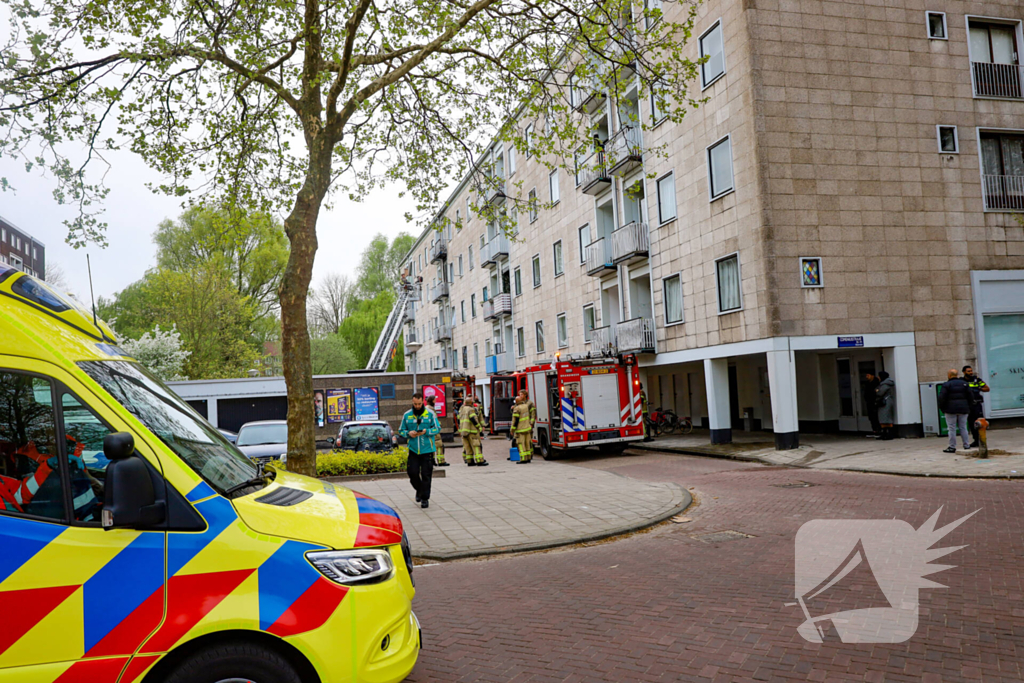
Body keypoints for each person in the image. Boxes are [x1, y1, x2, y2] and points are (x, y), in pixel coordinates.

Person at [398, 392, 441, 508]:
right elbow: (401, 430)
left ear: (423, 402)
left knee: (426, 474)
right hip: (413, 450)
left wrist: (427, 431)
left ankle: (424, 498)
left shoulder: (430, 414)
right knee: (412, 473)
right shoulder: (407, 415)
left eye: (419, 404)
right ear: (412, 402)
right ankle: (419, 490)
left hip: (427, 449)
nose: (417, 406)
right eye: (415, 404)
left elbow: (437, 428)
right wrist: (408, 433)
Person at [938, 369, 972, 453]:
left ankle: (952, 446)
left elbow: (941, 398)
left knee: (951, 428)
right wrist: (968, 407)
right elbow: (970, 396)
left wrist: (942, 408)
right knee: (963, 427)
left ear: (949, 375)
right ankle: (966, 445)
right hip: (963, 409)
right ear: (957, 375)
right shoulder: (964, 384)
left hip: (950, 409)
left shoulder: (946, 385)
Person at [963, 365, 990, 448]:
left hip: (977, 405)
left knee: (979, 422)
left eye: (971, 371)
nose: (971, 372)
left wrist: (979, 388)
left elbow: (987, 389)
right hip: (968, 405)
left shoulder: (977, 380)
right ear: (964, 372)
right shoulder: (961, 381)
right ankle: (976, 440)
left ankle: (981, 440)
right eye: (968, 371)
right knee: (971, 423)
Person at [458, 398, 488, 466]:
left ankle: (470, 461)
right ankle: (479, 461)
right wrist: (479, 427)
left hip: (464, 432)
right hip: (472, 431)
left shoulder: (462, 409)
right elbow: (473, 419)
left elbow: (458, 419)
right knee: (476, 446)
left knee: (467, 447)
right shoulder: (471, 409)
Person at [510, 393, 534, 463]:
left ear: (517, 401)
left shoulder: (517, 408)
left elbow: (515, 421)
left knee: (521, 444)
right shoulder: (526, 406)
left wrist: (512, 430)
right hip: (527, 428)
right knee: (527, 443)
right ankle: (528, 457)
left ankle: (523, 459)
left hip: (520, 430)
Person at [425, 395, 448, 466]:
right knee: (439, 445)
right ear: (432, 401)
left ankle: (432, 461)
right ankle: (441, 461)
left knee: (431, 446)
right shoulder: (431, 409)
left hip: (429, 430)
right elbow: (434, 420)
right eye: (435, 400)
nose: (435, 401)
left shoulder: (426, 408)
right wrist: (438, 426)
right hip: (434, 430)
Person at [875, 371, 896, 440]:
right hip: (886, 402)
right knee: (884, 417)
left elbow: (880, 392)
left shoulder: (885, 384)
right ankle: (885, 433)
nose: (878, 377)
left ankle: (889, 434)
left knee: (886, 417)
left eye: (879, 376)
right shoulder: (886, 383)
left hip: (885, 402)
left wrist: (876, 391)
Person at [864, 372, 881, 436]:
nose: (866, 377)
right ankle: (874, 430)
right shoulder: (867, 383)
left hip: (875, 402)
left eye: (868, 375)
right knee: (871, 417)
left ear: (872, 375)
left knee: (876, 416)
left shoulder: (876, 383)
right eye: (866, 375)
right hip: (869, 402)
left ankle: (878, 430)